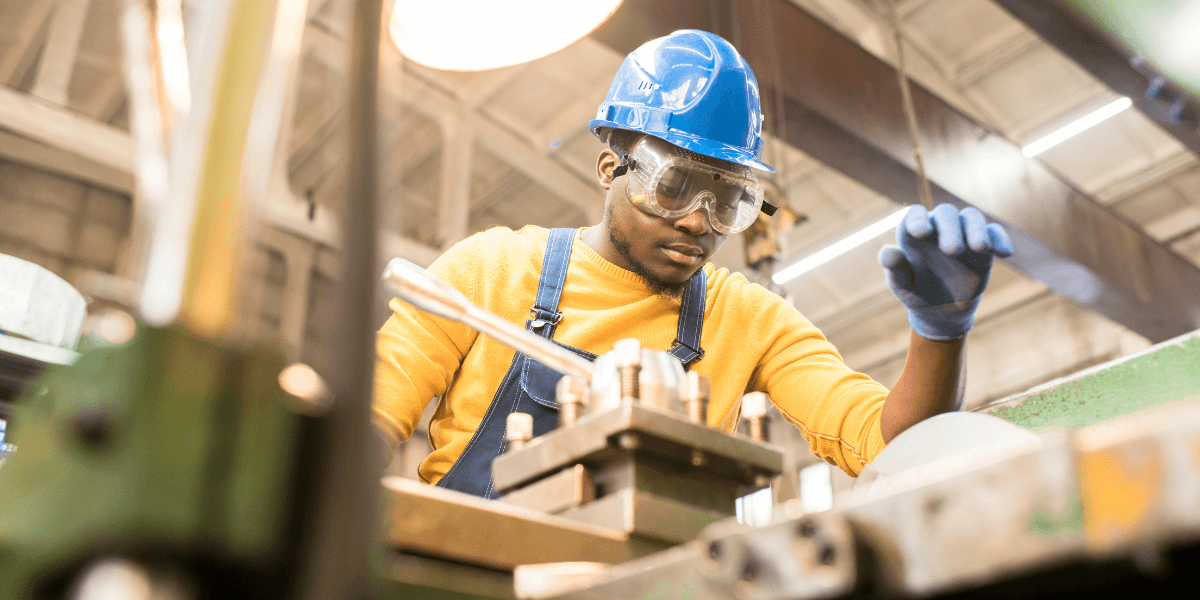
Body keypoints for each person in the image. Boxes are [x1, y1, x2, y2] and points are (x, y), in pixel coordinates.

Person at [372, 30, 1013, 498]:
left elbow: (887, 445)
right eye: (673, 186)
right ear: (609, 167)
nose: (698, 222)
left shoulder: (749, 319)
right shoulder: (487, 273)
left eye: (730, 200)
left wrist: (939, 334)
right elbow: (369, 422)